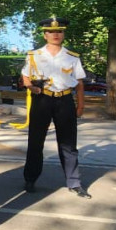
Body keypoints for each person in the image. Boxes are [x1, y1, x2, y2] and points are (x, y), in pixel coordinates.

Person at [21, 16, 91, 199]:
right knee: (36, 141)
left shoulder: (72, 57)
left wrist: (81, 105)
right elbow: (25, 77)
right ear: (45, 35)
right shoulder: (34, 55)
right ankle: (30, 178)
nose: (55, 34)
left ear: (63, 34)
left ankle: (74, 182)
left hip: (65, 100)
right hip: (42, 99)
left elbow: (79, 84)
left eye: (59, 31)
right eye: (51, 31)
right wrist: (31, 87)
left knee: (68, 143)